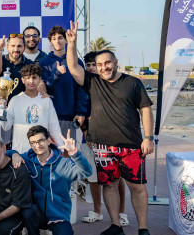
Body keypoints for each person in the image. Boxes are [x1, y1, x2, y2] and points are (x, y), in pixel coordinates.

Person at [66, 21, 154, 235]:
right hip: (103, 147)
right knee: (110, 186)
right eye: (100, 64)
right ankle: (115, 225)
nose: (104, 67)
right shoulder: (93, 82)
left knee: (137, 188)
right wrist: (72, 43)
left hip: (132, 146)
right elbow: (73, 68)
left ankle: (143, 229)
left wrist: (148, 137)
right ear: (96, 66)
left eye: (108, 63)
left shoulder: (133, 83)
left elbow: (145, 109)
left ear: (115, 62)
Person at [10, 125, 92, 235]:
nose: (37, 145)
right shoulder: (27, 159)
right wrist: (13, 153)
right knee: (26, 211)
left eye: (40, 141)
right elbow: (5, 155)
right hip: (35, 213)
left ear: (49, 141)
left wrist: (74, 153)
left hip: (58, 215)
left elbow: (86, 172)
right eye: (33, 143)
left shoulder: (63, 163)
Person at [80, 51, 129, 226]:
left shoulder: (111, 84)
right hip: (90, 138)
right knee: (94, 177)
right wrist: (86, 129)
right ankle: (97, 211)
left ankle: (122, 213)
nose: (92, 68)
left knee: (117, 178)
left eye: (95, 64)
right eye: (89, 65)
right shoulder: (83, 84)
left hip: (112, 139)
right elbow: (81, 111)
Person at [38, 26, 88, 143]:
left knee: (69, 155)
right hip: (49, 118)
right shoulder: (44, 63)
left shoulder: (76, 61)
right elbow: (46, 86)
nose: (57, 41)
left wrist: (80, 112)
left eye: (60, 38)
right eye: (54, 38)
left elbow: (82, 88)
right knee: (51, 155)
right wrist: (57, 73)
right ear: (50, 42)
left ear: (66, 40)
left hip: (70, 118)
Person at [0, 64, 63, 153]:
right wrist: (2, 109)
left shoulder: (46, 101)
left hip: (42, 153)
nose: (31, 81)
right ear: (22, 80)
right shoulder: (15, 100)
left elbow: (54, 127)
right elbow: (6, 126)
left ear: (40, 79)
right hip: (21, 153)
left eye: (34, 77)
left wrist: (62, 148)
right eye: (27, 78)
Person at [0, 34, 35, 146]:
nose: (16, 49)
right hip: (2, 111)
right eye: (13, 46)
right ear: (7, 47)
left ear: (24, 47)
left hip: (21, 112)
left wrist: (42, 91)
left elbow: (38, 83)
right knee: (2, 147)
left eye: (19, 46)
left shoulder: (29, 64)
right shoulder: (1, 59)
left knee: (21, 146)